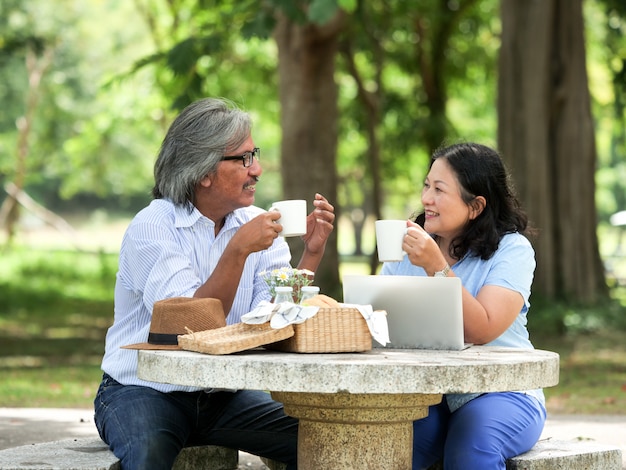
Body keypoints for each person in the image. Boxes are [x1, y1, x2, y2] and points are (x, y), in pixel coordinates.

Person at [94, 97, 335, 470]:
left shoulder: (254, 222)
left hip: (222, 394)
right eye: (243, 159)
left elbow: (275, 318)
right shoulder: (153, 226)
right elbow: (190, 326)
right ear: (203, 171)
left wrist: (312, 254)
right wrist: (237, 251)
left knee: (324, 439)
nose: (257, 169)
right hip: (143, 390)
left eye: (255, 154)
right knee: (148, 456)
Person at [380, 142, 545, 470]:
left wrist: (436, 266)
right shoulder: (407, 247)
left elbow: (483, 328)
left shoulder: (512, 250)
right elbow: (378, 318)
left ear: (476, 205)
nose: (426, 198)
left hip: (502, 391)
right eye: (426, 185)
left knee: (471, 447)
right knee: (388, 445)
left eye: (439, 190)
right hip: (430, 394)